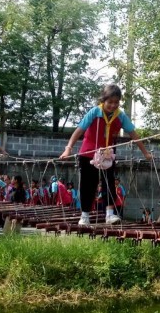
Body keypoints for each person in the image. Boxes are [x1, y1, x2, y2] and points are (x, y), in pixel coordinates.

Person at [59, 84, 153, 225]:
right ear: (103, 100)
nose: (113, 105)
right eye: (110, 102)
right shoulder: (94, 112)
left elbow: (133, 134)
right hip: (89, 154)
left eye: (116, 102)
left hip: (107, 155)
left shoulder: (120, 116)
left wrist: (145, 153)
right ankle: (85, 215)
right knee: (88, 184)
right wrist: (68, 149)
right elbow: (79, 130)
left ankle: (110, 214)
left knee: (109, 182)